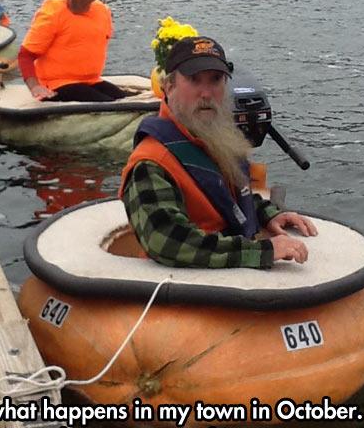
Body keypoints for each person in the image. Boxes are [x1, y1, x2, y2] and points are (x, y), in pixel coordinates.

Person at [119, 36, 317, 269]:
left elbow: (226, 196)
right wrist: (263, 250)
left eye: (215, 80)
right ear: (169, 86)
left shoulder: (211, 138)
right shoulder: (151, 162)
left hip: (230, 267)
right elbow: (167, 240)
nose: (206, 93)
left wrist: (268, 214)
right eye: (195, 80)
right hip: (188, 287)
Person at [18, 0, 126, 102]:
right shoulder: (52, 12)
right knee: (108, 104)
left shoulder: (103, 12)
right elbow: (25, 55)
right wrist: (34, 87)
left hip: (90, 81)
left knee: (124, 99)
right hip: (55, 84)